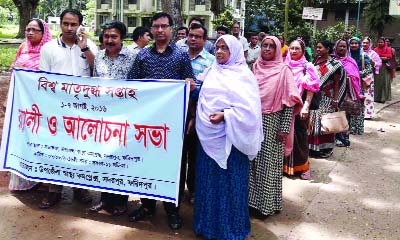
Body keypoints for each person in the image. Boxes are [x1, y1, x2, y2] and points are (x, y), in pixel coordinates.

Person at [127, 12, 195, 230]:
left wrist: (189, 85)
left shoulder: (181, 56)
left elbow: (191, 84)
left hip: (174, 124)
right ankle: (147, 205)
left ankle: (172, 209)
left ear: (171, 28)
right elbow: (131, 85)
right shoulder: (143, 56)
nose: (159, 30)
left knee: (175, 165)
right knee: (148, 164)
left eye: (164, 26)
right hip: (147, 124)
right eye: (156, 26)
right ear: (151, 29)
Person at [193, 34, 263, 240]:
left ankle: (230, 230)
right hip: (208, 139)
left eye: (225, 48)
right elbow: (201, 96)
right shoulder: (211, 72)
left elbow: (250, 112)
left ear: (235, 51)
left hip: (232, 142)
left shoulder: (244, 76)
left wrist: (226, 115)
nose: (220, 52)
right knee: (208, 184)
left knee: (230, 185)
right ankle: (206, 227)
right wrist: (190, 87)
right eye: (217, 48)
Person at [39, 9, 97, 209]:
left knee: (82, 150)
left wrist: (85, 49)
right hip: (58, 109)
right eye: (66, 23)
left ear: (80, 25)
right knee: (56, 150)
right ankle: (54, 191)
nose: (69, 28)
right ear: (60, 24)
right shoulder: (48, 49)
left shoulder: (90, 46)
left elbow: (95, 70)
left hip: (84, 110)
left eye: (74, 24)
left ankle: (80, 188)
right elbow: (44, 80)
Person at [248, 36, 302, 217]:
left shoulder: (283, 71)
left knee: (268, 165)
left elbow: (290, 102)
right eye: (265, 45)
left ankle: (266, 206)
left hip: (273, 123)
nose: (267, 49)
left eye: (272, 46)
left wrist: (284, 128)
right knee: (251, 163)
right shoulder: (254, 67)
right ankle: (250, 203)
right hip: (252, 122)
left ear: (278, 49)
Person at [89, 21, 137, 216]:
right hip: (103, 116)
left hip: (125, 117)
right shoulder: (99, 56)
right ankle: (104, 200)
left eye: (113, 37)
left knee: (121, 160)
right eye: (106, 36)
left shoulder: (134, 57)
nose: (109, 40)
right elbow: (93, 83)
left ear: (122, 38)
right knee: (103, 159)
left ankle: (121, 201)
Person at [8, 18, 52, 191]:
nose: (30, 32)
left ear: (43, 33)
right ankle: (22, 179)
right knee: (22, 138)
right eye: (28, 29)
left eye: (35, 30)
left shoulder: (47, 51)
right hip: (20, 102)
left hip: (38, 105)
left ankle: (39, 176)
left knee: (38, 138)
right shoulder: (23, 47)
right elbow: (15, 72)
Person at [184, 23, 215, 204]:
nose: (193, 39)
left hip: (199, 115)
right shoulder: (178, 57)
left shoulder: (211, 61)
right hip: (177, 113)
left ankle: (194, 190)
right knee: (178, 155)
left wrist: (195, 116)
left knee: (195, 155)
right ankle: (176, 190)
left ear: (204, 40)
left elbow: (209, 93)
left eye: (197, 36)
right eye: (191, 35)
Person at [284, 39, 320, 180]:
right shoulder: (284, 65)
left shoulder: (307, 66)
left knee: (300, 137)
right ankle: (287, 167)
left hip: (300, 107)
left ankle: (303, 167)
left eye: (297, 48)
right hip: (285, 107)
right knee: (286, 137)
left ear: (303, 51)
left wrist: (305, 106)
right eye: (291, 48)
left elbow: (311, 88)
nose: (293, 51)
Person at [309, 40, 347, 156]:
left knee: (325, 124)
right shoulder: (315, 61)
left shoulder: (335, 64)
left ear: (328, 49)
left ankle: (325, 149)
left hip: (326, 98)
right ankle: (313, 148)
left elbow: (337, 83)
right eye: (317, 47)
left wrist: (335, 100)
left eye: (320, 48)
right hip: (315, 97)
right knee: (313, 122)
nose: (318, 49)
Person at [334, 39, 363, 146]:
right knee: (335, 114)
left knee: (346, 115)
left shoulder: (351, 61)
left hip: (348, 93)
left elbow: (356, 77)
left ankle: (344, 137)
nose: (342, 48)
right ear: (335, 48)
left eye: (344, 46)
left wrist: (348, 77)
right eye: (340, 46)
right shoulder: (331, 60)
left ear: (347, 48)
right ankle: (335, 137)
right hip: (334, 93)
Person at [348, 37, 373, 135]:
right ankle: (348, 128)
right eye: (351, 43)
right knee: (348, 106)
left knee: (358, 106)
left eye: (356, 43)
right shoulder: (347, 56)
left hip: (359, 86)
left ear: (359, 45)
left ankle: (357, 129)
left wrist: (356, 74)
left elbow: (369, 70)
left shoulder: (364, 56)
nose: (353, 45)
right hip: (347, 85)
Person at [362, 37, 382, 119]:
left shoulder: (373, 53)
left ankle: (368, 114)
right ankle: (359, 113)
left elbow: (379, 63)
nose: (365, 44)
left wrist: (372, 62)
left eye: (367, 43)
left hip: (368, 77)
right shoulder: (358, 52)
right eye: (364, 42)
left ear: (370, 44)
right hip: (358, 76)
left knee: (368, 94)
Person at [374, 37, 393, 103]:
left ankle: (383, 98)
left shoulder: (388, 49)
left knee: (385, 82)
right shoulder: (375, 49)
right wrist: (383, 57)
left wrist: (379, 57)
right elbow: (374, 57)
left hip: (385, 68)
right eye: (379, 42)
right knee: (377, 83)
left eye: (381, 42)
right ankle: (376, 98)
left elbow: (389, 57)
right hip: (377, 68)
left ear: (384, 43)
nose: (380, 43)